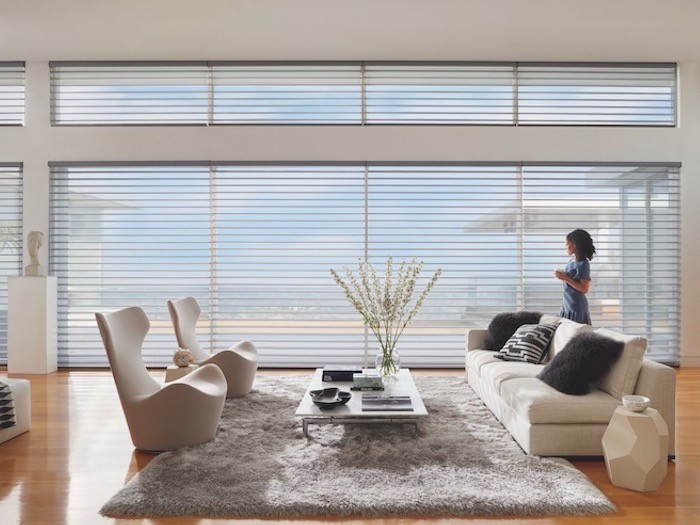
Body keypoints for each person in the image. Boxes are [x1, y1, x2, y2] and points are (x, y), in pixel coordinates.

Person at [554, 229, 595, 325]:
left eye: (567, 243)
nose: (565, 247)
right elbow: (571, 282)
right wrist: (562, 276)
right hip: (567, 304)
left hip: (576, 307)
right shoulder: (571, 262)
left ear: (575, 245)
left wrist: (565, 278)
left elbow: (584, 288)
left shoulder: (583, 264)